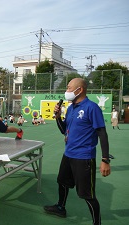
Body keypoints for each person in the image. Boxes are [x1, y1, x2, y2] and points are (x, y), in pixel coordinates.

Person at [44, 78, 111, 225]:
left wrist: (105, 159)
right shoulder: (71, 108)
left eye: (68, 88)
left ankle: (97, 223)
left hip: (84, 158)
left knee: (87, 195)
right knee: (62, 182)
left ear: (79, 90)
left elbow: (102, 133)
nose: (66, 91)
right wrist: (57, 117)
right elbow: (64, 131)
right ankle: (61, 207)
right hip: (68, 154)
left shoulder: (92, 108)